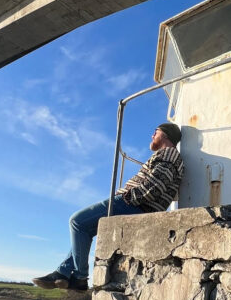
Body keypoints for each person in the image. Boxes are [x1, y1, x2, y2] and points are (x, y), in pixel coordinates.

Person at [32, 122, 184, 291]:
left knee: (77, 221)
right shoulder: (168, 155)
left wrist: (127, 196)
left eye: (155, 132)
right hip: (138, 205)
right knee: (85, 230)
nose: (152, 136)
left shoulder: (169, 154)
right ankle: (65, 273)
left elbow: (156, 186)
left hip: (134, 205)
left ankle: (80, 276)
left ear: (165, 135)